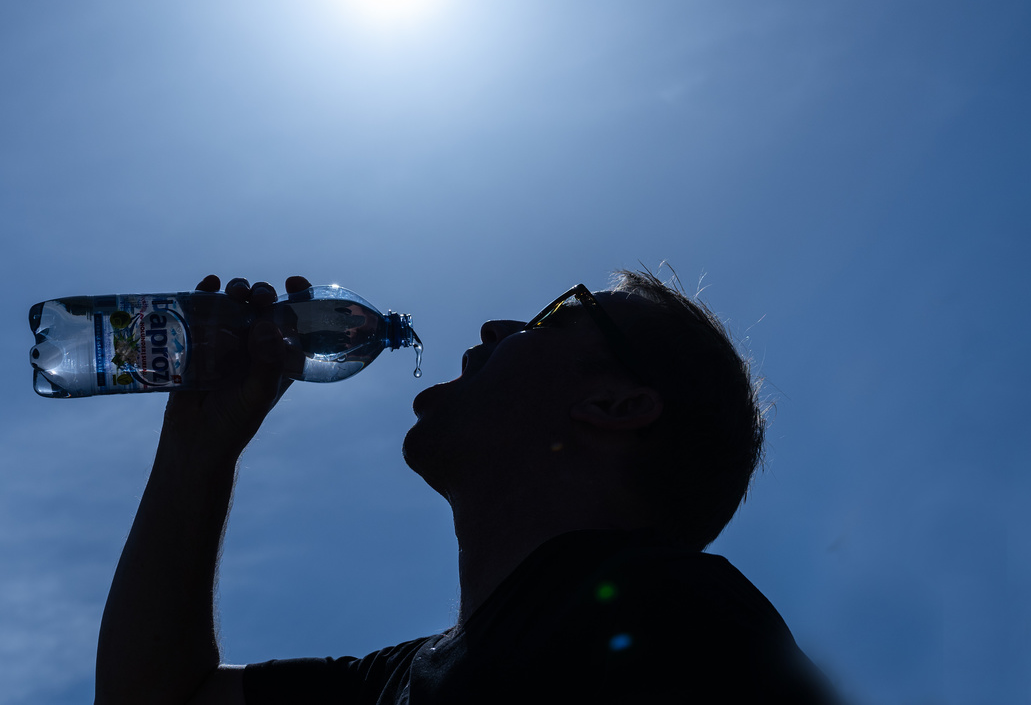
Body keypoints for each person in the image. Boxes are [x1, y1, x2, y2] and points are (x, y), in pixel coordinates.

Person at [95, 269, 839, 704]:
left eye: (556, 315)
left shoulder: (674, 621)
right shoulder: (397, 682)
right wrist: (200, 446)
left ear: (615, 405)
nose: (495, 325)